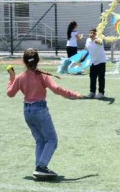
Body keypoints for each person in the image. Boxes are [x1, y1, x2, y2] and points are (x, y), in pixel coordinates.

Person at [6, 48, 83, 179]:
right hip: (39, 110)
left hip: (27, 111)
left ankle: (39, 168)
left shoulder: (20, 78)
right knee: (52, 139)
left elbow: (10, 93)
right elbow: (56, 89)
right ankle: (41, 167)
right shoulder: (42, 75)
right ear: (38, 61)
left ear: (24, 62)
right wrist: (74, 95)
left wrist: (12, 79)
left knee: (40, 141)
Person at [83, 28, 107, 99]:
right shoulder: (88, 40)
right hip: (93, 62)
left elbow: (99, 42)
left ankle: (101, 93)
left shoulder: (99, 39)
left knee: (101, 78)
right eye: (90, 33)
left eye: (93, 33)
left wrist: (97, 40)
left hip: (101, 62)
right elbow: (86, 49)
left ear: (96, 34)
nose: (92, 34)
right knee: (92, 77)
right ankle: (92, 92)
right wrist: (82, 57)